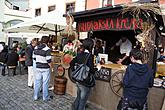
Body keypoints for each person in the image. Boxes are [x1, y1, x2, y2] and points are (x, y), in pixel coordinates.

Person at [70, 38, 97, 110]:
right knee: (83, 101)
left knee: (79, 97)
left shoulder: (79, 54)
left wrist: (75, 71)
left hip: (78, 80)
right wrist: (97, 69)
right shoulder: (90, 56)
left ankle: (74, 108)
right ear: (90, 45)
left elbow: (71, 63)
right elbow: (91, 70)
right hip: (85, 81)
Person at [33, 36, 53, 101]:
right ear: (47, 41)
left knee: (37, 82)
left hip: (38, 67)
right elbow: (49, 60)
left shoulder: (36, 47)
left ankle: (35, 96)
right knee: (45, 83)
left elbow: (34, 58)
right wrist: (51, 67)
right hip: (45, 68)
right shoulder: (47, 49)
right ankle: (45, 97)